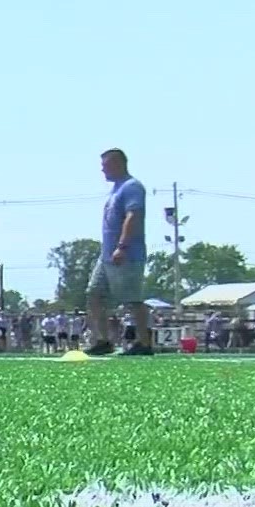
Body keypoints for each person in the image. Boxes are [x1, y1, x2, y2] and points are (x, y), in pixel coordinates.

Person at [86, 148, 153, 356]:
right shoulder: (116, 189)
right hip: (105, 255)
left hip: (126, 254)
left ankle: (144, 342)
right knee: (94, 294)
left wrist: (122, 246)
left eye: (106, 166)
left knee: (132, 300)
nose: (102, 170)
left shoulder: (132, 187)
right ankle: (103, 340)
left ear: (118, 164)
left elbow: (133, 216)